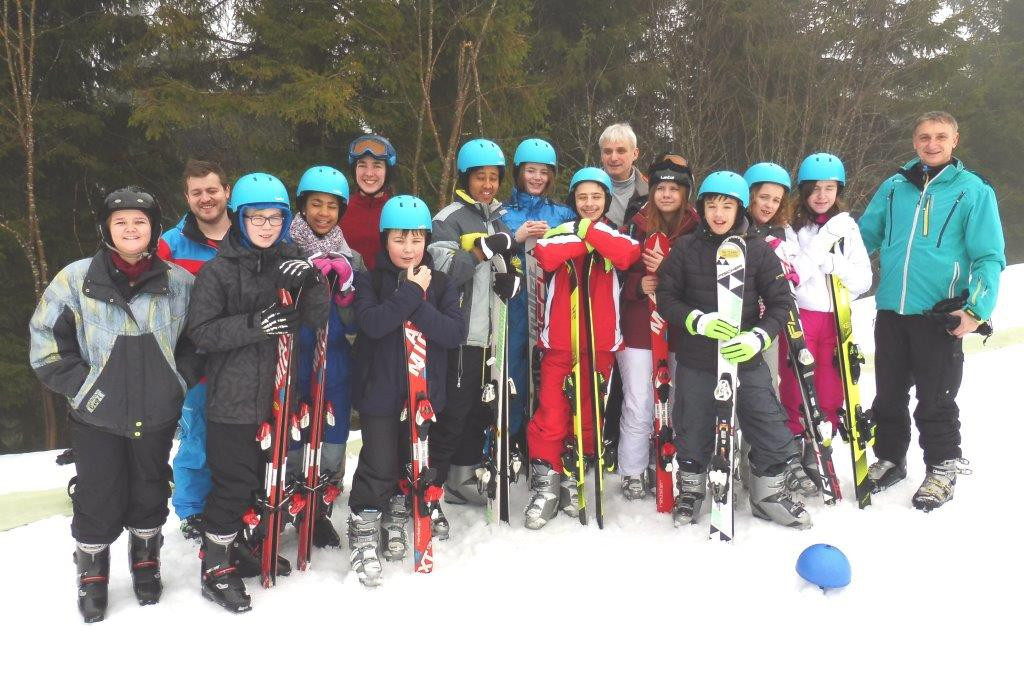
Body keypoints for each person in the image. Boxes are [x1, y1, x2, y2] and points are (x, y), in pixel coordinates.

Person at [30, 188, 200, 622]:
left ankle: (145, 558)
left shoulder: (178, 283)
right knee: (97, 493)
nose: (130, 228)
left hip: (157, 413)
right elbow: (46, 344)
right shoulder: (74, 280)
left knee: (149, 485)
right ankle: (92, 569)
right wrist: (84, 388)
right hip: (97, 416)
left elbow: (199, 342)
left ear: (154, 229)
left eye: (140, 221)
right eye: (121, 220)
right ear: (106, 227)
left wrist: (176, 381)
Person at [187, 172, 329, 613]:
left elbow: (317, 318)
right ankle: (215, 566)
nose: (266, 226)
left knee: (259, 484)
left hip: (280, 397)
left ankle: (238, 549)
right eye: (256, 217)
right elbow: (201, 333)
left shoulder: (292, 258)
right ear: (240, 218)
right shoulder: (219, 271)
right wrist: (255, 325)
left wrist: (314, 281)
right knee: (232, 484)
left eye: (274, 218)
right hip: (232, 400)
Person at [858, 111, 1005, 511]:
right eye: (924, 136)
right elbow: (861, 238)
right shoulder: (893, 188)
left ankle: (942, 467)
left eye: (941, 136)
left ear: (955, 140)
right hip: (890, 310)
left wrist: (976, 309)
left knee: (936, 398)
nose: (932, 143)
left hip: (940, 316)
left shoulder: (972, 190)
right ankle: (890, 458)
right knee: (887, 395)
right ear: (914, 141)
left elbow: (989, 256)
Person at [656, 171, 811, 530]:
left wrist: (758, 337)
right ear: (702, 208)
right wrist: (697, 320)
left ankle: (767, 492)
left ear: (740, 208)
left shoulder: (758, 250)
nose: (719, 214)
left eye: (727, 206)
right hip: (697, 356)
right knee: (692, 424)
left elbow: (780, 303)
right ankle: (692, 490)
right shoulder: (686, 249)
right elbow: (667, 298)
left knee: (765, 420)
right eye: (712, 205)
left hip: (745, 357)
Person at [346, 195, 467, 586]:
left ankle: (399, 514)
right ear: (385, 240)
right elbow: (373, 323)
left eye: (416, 239)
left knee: (411, 461)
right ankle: (364, 527)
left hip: (424, 394)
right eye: (400, 239)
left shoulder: (442, 282)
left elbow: (453, 333)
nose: (408, 247)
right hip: (381, 392)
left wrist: (419, 301)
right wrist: (411, 294)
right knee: (378, 463)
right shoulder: (370, 280)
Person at [523, 167, 641, 529]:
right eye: (582, 197)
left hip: (601, 345)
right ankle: (546, 484)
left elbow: (626, 254)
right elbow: (546, 255)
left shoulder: (614, 233)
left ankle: (576, 475)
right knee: (552, 414)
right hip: (560, 343)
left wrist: (591, 234)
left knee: (588, 415)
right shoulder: (560, 231)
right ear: (573, 200)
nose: (589, 203)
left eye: (596, 197)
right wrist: (587, 237)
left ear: (606, 200)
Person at [427, 138, 521, 533]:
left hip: (489, 338)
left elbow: (506, 261)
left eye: (494, 178)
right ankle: (429, 489)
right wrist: (481, 253)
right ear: (466, 177)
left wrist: (509, 276)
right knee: (451, 414)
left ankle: (461, 480)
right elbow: (443, 271)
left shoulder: (498, 220)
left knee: (478, 413)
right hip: (459, 335)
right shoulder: (447, 218)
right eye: (480, 177)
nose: (487, 184)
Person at [773, 154, 872, 495]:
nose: (822, 196)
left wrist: (834, 262)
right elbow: (795, 277)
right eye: (815, 189)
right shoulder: (790, 226)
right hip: (800, 316)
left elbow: (862, 281)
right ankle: (794, 450)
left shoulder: (847, 227)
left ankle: (820, 449)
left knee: (831, 389)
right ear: (803, 191)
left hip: (837, 318)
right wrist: (823, 241)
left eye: (829, 188)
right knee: (794, 385)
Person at [286, 165, 362, 549]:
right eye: (315, 204)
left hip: (335, 358)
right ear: (302, 206)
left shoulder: (352, 257)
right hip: (293, 356)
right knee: (294, 430)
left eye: (331, 206)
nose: (323, 213)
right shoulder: (283, 249)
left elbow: (355, 322)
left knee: (333, 432)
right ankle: (290, 500)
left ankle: (321, 505)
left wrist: (347, 290)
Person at [158, 159, 232, 542]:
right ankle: (191, 509)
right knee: (196, 436)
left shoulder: (247, 233)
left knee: (242, 435)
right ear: (187, 197)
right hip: (194, 357)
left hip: (241, 357)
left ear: (227, 192)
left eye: (212, 190)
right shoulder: (171, 243)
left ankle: (236, 498)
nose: (206, 199)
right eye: (197, 192)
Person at [616, 154, 698, 499]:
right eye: (660, 188)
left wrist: (667, 271)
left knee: (674, 400)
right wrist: (639, 285)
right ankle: (632, 469)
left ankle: (663, 460)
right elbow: (614, 274)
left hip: (680, 330)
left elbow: (706, 278)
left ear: (685, 192)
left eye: (674, 189)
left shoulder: (698, 227)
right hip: (638, 328)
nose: (666, 195)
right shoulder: (634, 224)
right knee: (639, 402)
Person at [502, 138, 576, 457]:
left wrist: (553, 238)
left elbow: (575, 251)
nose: (536, 178)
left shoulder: (562, 213)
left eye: (543, 172)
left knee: (548, 376)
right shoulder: (503, 212)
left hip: (550, 306)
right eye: (530, 171)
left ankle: (548, 439)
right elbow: (494, 251)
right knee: (513, 373)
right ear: (519, 172)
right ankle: (513, 435)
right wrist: (518, 240)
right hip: (512, 307)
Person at [341, 134, 396, 270]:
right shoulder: (339, 209)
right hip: (345, 289)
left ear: (387, 172)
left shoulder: (398, 212)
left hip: (387, 290)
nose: (369, 173)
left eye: (377, 166)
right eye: (362, 165)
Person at [599, 122, 648, 227]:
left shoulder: (651, 192)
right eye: (608, 152)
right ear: (601, 155)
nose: (614, 158)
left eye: (621, 151)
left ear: (635, 154)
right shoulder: (585, 188)